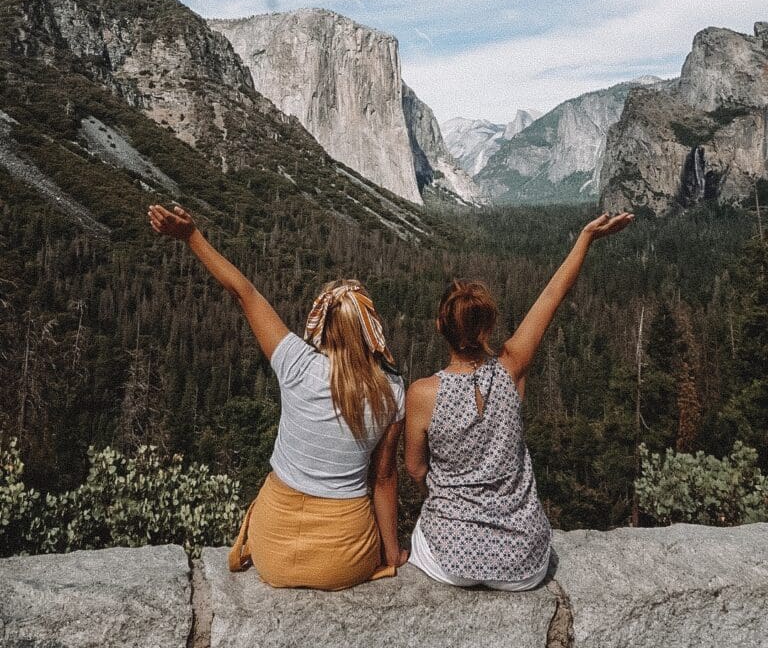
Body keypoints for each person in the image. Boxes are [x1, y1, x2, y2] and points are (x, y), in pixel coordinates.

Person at [147, 203, 407, 591]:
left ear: (321, 324)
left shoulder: (296, 363)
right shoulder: (393, 391)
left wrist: (191, 237)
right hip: (343, 558)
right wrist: (392, 555)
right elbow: (384, 481)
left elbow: (244, 293)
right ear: (371, 330)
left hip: (273, 549)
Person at [404, 211, 634, 590]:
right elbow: (552, 295)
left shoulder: (422, 394)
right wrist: (586, 238)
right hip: (522, 561)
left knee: (421, 538)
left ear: (439, 328)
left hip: (450, 559)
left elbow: (415, 470)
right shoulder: (512, 368)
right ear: (489, 327)